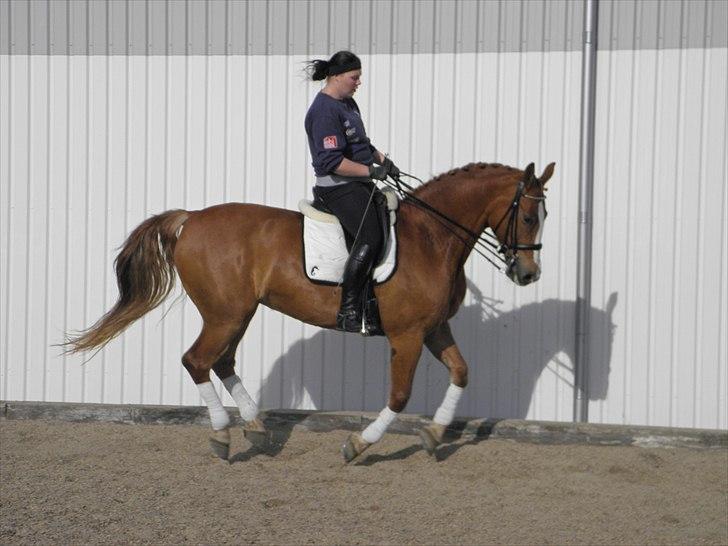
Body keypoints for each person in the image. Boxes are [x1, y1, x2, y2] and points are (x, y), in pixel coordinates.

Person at [304, 51, 400, 333]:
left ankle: (373, 308)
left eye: (359, 78)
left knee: (388, 219)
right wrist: (371, 172)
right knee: (370, 235)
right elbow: (332, 162)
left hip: (357, 184)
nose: (358, 83)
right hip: (337, 189)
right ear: (335, 77)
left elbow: (360, 145)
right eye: (354, 78)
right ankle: (349, 309)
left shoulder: (348, 104)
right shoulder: (323, 111)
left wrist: (383, 161)